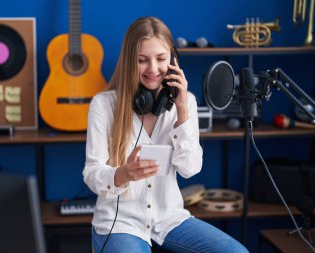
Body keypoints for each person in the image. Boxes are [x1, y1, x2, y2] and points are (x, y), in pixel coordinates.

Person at [83, 16, 249, 253]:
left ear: (173, 60)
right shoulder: (104, 105)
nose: (153, 69)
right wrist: (123, 174)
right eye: (142, 60)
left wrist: (181, 110)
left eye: (160, 59)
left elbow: (190, 168)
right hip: (119, 223)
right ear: (130, 61)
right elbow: (92, 173)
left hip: (169, 220)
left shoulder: (186, 102)